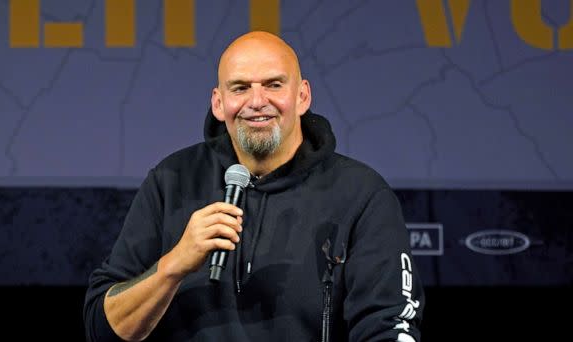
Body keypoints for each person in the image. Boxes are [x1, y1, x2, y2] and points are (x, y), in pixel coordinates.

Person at [83, 31, 424, 342]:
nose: (257, 101)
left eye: (274, 85)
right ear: (218, 103)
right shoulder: (171, 181)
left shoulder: (360, 193)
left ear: (302, 96)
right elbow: (103, 329)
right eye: (241, 87)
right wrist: (174, 264)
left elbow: (389, 325)